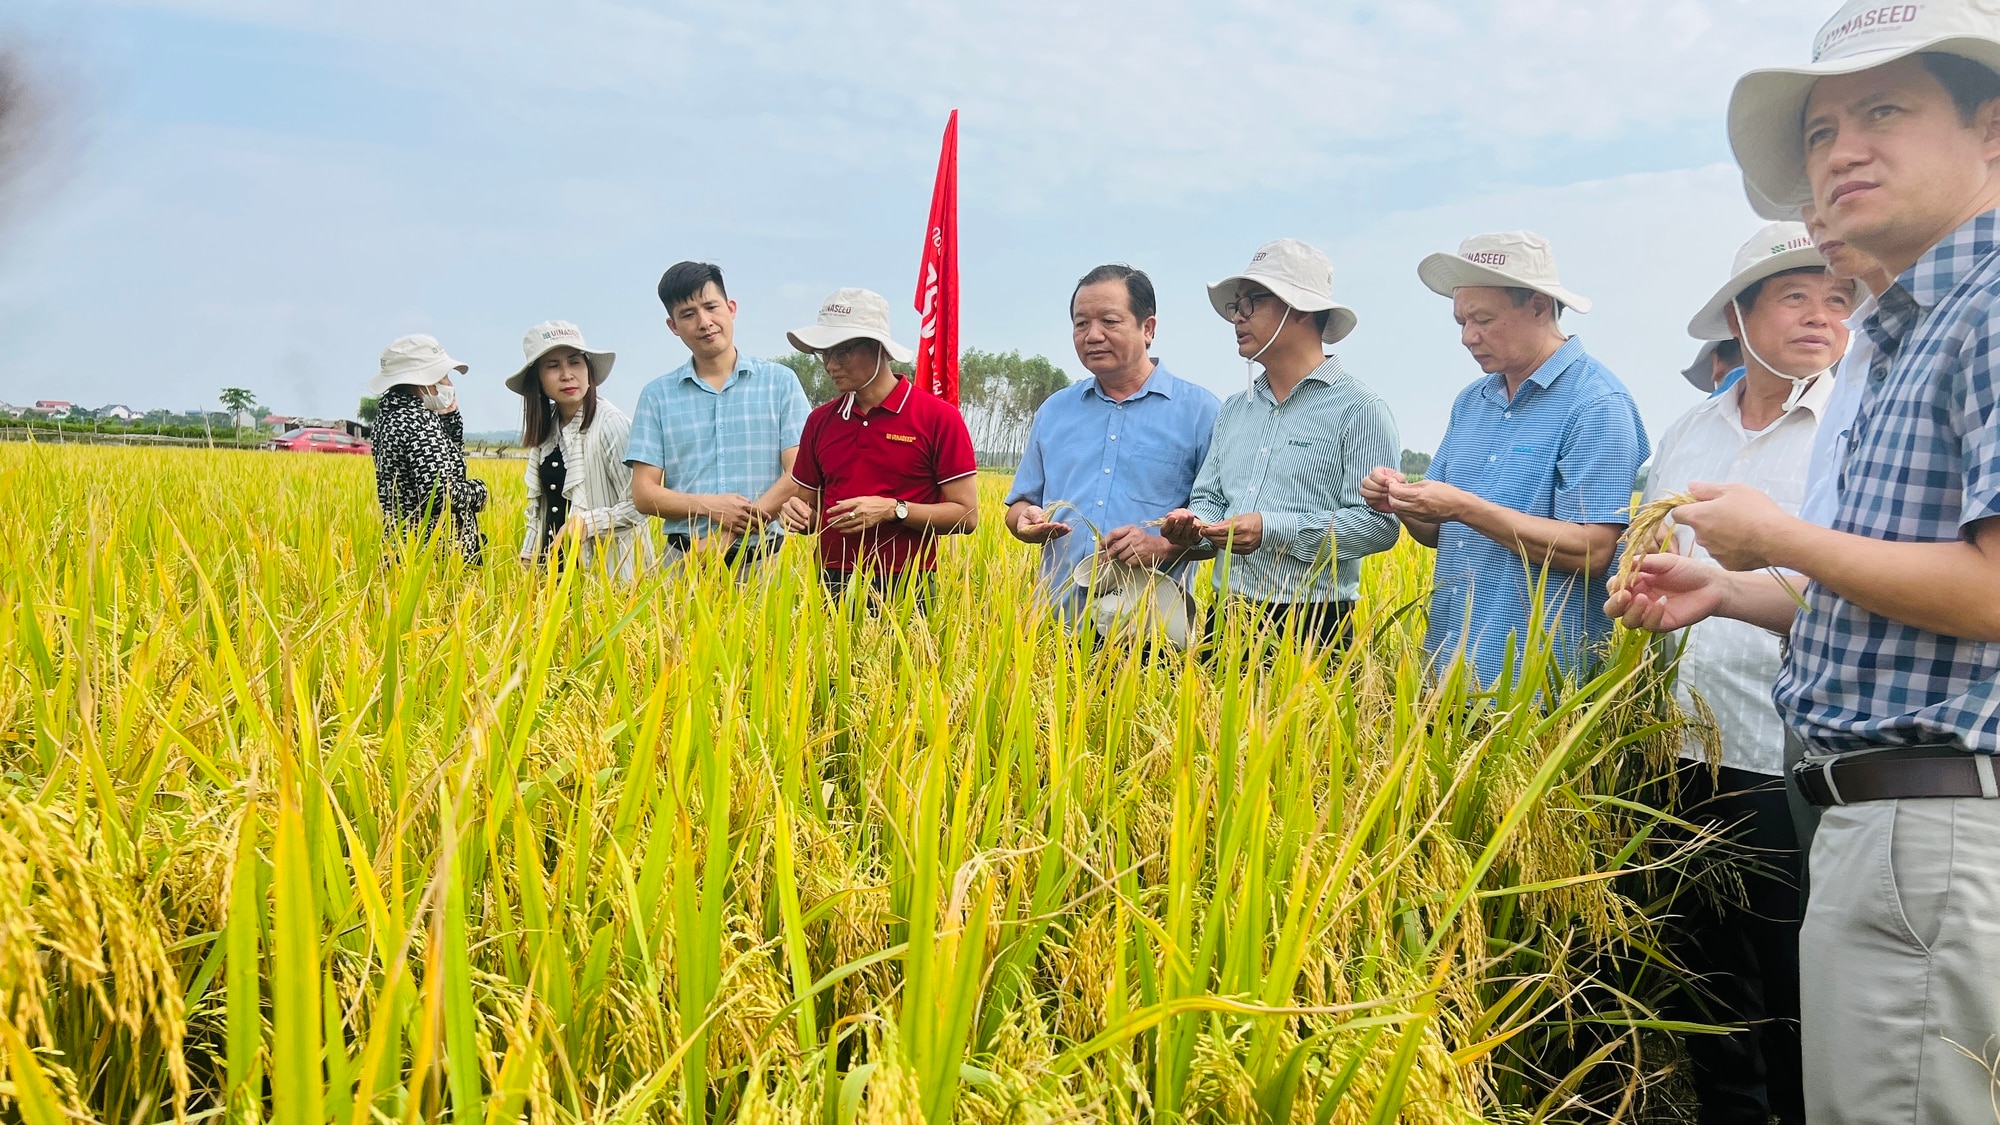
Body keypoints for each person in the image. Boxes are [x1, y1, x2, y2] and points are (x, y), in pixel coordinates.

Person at [1612, 6, 2000, 1119]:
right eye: (1822, 130)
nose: (1841, 152)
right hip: (1871, 822)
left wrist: (1775, 539)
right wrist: (1734, 588)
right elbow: (1899, 593)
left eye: (1883, 111)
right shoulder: (1916, 330)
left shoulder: (1985, 312)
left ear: (1989, 131)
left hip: (1923, 828)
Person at [1642, 221, 1855, 1125]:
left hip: (1788, 755)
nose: (1821, 315)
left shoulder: (1852, 423)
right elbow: (1646, 544)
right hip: (1680, 745)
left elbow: (1854, 578)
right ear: (1740, 314)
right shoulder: (1690, 429)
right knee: (1704, 975)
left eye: (1838, 298)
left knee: (1794, 984)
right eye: (1794, 296)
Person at [1361, 231, 1648, 684]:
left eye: (1482, 319)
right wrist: (1402, 502)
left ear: (1537, 306)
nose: (1467, 337)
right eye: (1460, 321)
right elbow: (1438, 533)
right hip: (1448, 664)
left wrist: (1463, 506)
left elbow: (1594, 550)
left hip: (1537, 685)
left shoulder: (1596, 403)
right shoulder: (1472, 401)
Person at [1158, 239, 1399, 649]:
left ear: (1300, 308)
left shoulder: (1360, 409)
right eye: (1236, 305)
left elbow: (1377, 526)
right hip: (1228, 616)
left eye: (1251, 302)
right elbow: (1210, 498)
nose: (1237, 317)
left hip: (1315, 623)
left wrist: (1274, 529)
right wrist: (1193, 527)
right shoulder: (1236, 409)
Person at [1006, 264, 1220, 623]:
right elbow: (1020, 504)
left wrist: (1161, 546)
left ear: (1148, 328)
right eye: (1080, 323)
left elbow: (1219, 528)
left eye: (1109, 321)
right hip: (1055, 628)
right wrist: (1023, 522)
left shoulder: (1202, 413)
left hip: (1148, 632)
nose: (1092, 335)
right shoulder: (1054, 411)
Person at [777, 288, 977, 607]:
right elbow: (811, 510)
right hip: (831, 577)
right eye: (824, 353)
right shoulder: (820, 421)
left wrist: (892, 510)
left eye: (842, 351)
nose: (830, 364)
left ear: (879, 349)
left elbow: (966, 516)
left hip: (907, 582)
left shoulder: (938, 418)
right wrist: (795, 515)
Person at [624, 261, 813, 571]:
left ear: (731, 308)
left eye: (711, 307)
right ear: (673, 326)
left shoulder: (780, 382)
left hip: (764, 563)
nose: (704, 321)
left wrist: (726, 533)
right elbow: (644, 493)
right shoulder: (656, 396)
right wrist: (710, 507)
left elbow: (800, 472)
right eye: (688, 314)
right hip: (685, 561)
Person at [506, 320, 650, 580]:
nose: (566, 374)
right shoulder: (548, 429)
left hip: (609, 578)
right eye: (553, 366)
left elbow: (639, 505)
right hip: (555, 576)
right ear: (537, 379)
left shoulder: (610, 424)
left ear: (588, 370)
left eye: (574, 362)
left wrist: (587, 523)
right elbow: (541, 506)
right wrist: (529, 555)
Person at [368, 334, 486, 563]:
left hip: (403, 545)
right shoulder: (419, 423)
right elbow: (441, 495)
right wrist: (479, 491)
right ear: (422, 380)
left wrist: (449, 420)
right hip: (435, 552)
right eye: (443, 377)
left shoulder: (388, 418)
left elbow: (441, 461)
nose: (449, 385)